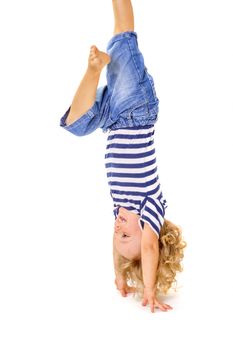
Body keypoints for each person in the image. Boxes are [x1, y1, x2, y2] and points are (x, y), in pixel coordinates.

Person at [59, 0, 186, 313]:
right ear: (150, 232)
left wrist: (120, 276)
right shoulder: (150, 208)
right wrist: (150, 292)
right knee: (123, 33)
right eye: (126, 233)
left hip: (112, 120)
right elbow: (146, 247)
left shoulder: (122, 211)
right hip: (137, 109)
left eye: (118, 234)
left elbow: (124, 249)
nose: (118, 228)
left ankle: (94, 69)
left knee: (75, 124)